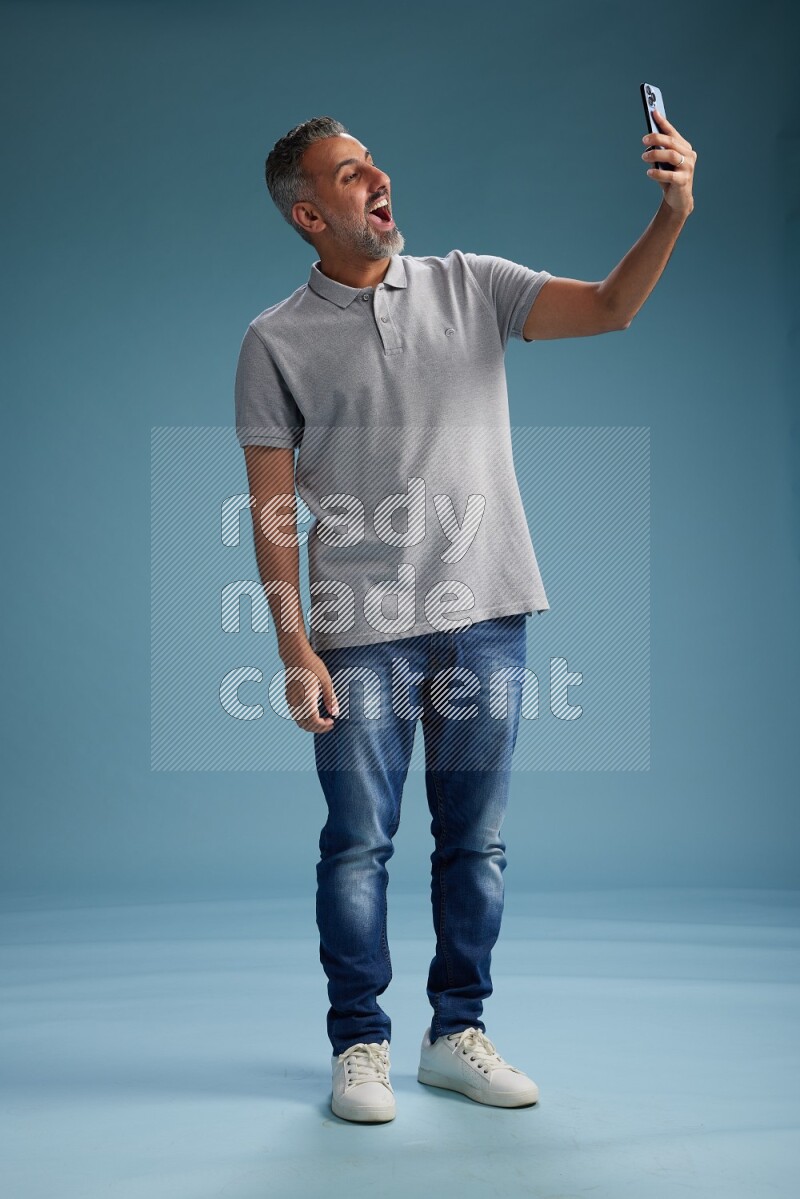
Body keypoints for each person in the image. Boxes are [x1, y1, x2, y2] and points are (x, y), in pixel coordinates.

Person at [235, 114, 696, 1124]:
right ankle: (359, 1042)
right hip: (355, 627)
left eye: (374, 161)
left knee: (473, 842)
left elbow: (612, 308)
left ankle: (455, 1033)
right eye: (351, 174)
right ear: (311, 213)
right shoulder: (273, 340)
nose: (378, 177)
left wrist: (670, 211)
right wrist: (291, 645)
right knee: (357, 844)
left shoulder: (468, 284)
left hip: (487, 608)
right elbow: (272, 506)